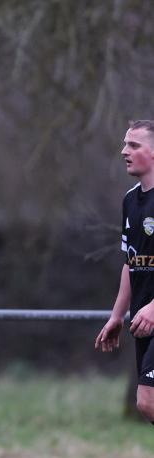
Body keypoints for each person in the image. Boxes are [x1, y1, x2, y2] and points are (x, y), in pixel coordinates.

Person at [96, 120, 154, 429]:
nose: (124, 151)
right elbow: (130, 262)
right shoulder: (130, 200)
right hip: (143, 321)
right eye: (124, 144)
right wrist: (118, 315)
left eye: (134, 145)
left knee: (147, 400)